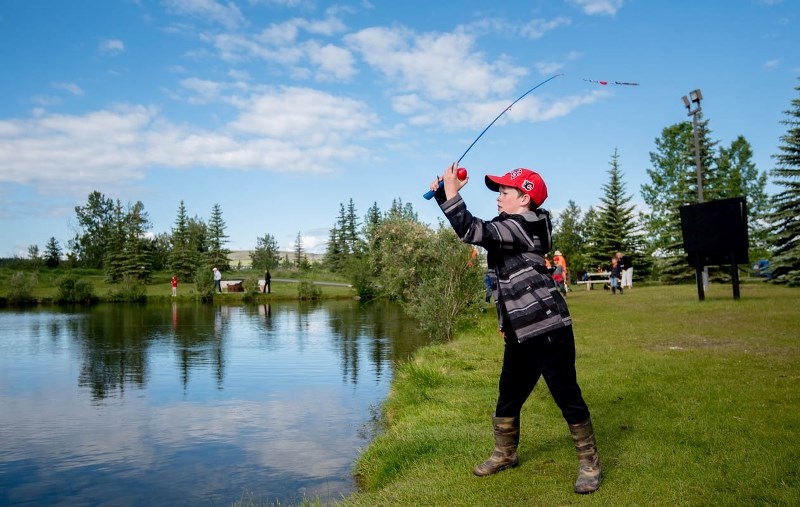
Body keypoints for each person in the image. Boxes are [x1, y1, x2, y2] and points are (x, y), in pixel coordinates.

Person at [429, 163, 601, 494]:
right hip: (520, 331)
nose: (498, 197)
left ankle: (590, 462)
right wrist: (441, 195)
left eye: (505, 192)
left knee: (567, 396)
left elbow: (471, 231)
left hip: (549, 329)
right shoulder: (512, 228)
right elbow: (480, 234)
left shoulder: (525, 225)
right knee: (508, 395)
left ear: (524, 198)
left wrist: (451, 192)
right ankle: (505, 454)